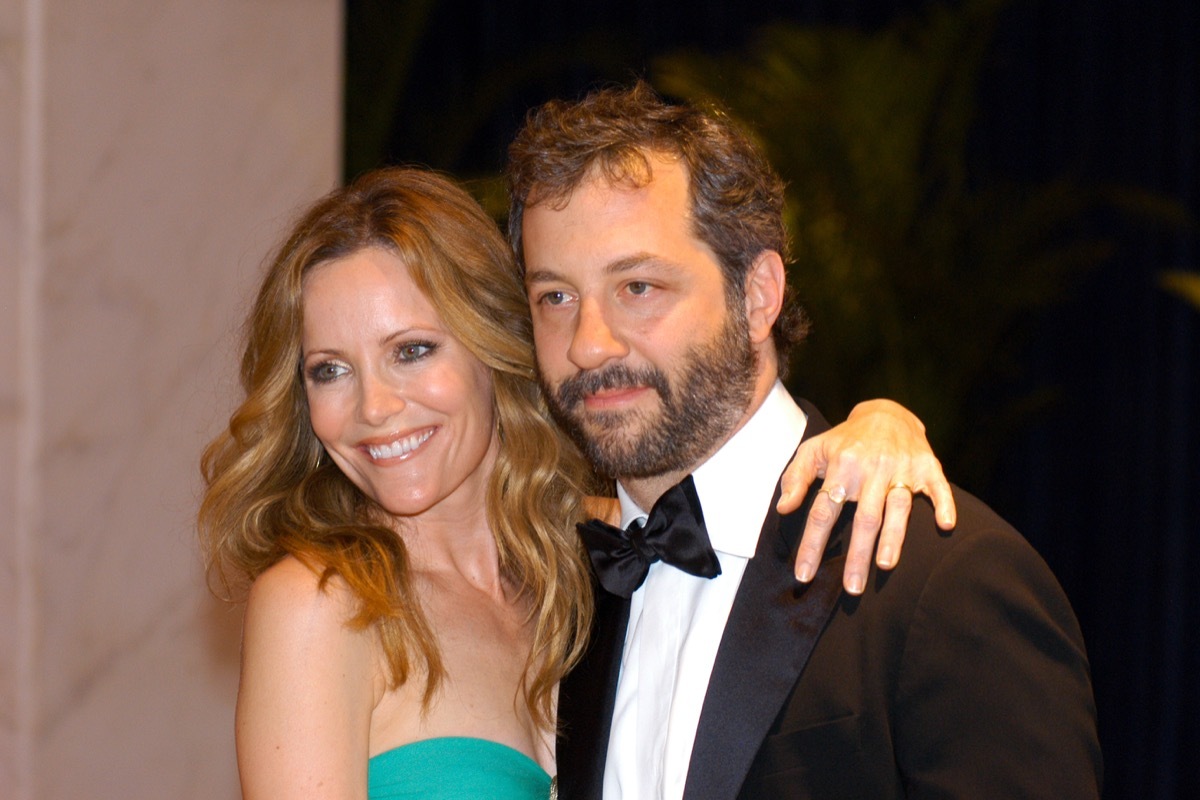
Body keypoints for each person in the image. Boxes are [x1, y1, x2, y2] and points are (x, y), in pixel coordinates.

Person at [198, 167, 955, 799]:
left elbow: (734, 496)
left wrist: (882, 423)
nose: (372, 407)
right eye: (328, 370)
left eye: (413, 350)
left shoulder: (597, 564)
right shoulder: (322, 605)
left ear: (495, 347)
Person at [506, 82, 1102, 799]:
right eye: (556, 297)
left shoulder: (944, 579)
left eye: (638, 287)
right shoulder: (568, 602)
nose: (588, 346)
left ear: (758, 295)